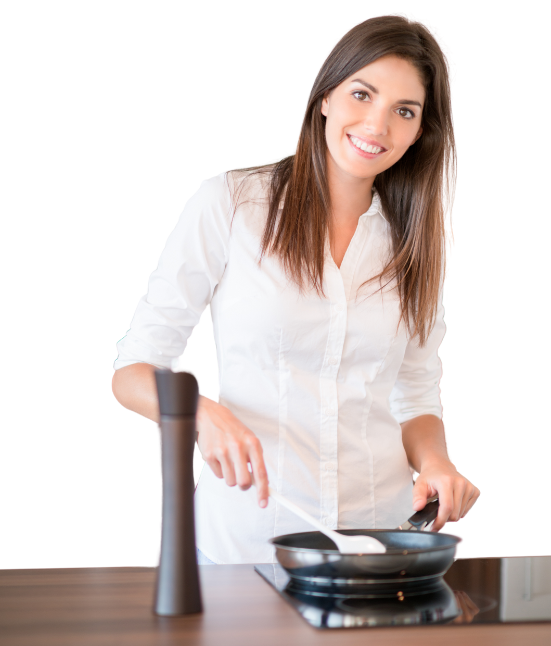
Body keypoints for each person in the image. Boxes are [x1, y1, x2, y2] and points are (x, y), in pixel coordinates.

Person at [111, 13, 481, 565]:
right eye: (362, 94)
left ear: (420, 131)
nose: (376, 125)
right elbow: (133, 371)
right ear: (326, 96)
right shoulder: (231, 205)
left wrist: (437, 462)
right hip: (242, 543)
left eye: (403, 111)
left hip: (374, 544)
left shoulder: (421, 243)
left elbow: (417, 393)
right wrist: (199, 414)